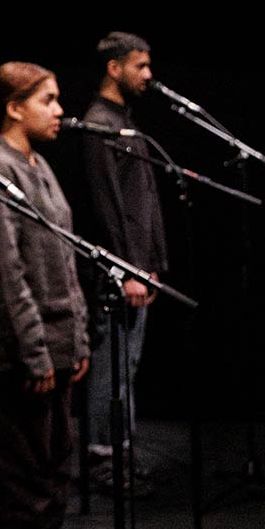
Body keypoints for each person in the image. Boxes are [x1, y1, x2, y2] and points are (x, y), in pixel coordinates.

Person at [0, 61, 91, 529]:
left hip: (52, 349)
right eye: (48, 100)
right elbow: (4, 273)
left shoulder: (37, 162)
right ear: (14, 108)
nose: (59, 110)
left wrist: (75, 339)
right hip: (15, 357)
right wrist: (36, 353)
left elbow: (63, 256)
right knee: (20, 483)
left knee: (54, 472)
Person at [79, 31, 168, 493]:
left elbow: (142, 203)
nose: (149, 76)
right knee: (111, 365)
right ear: (114, 68)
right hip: (118, 272)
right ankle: (101, 460)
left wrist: (152, 264)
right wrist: (128, 269)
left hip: (137, 268)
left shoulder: (126, 121)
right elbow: (107, 206)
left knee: (126, 367)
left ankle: (121, 452)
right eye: (141, 66)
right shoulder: (99, 123)